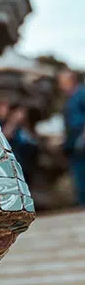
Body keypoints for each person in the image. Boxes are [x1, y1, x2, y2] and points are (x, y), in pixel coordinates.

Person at [58, 68, 85, 205]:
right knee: (79, 177)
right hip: (73, 142)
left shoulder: (81, 94)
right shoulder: (68, 98)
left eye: (63, 82)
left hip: (81, 138)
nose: (60, 85)